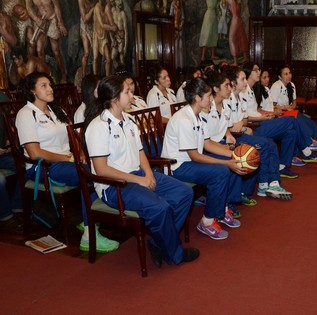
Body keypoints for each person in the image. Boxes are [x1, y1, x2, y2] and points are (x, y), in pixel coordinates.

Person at [83, 74, 199, 267]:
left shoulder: (129, 120)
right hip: (114, 186)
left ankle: (158, 242)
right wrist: (140, 180)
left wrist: (149, 174)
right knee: (160, 208)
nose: (132, 95)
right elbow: (102, 169)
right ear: (114, 99)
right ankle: (174, 255)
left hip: (137, 176)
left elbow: (140, 152)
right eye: (127, 91)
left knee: (184, 192)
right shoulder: (99, 127)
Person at [15, 72, 118, 252]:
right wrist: (66, 157)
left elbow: (73, 137)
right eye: (44, 86)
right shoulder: (26, 114)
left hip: (66, 161)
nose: (50, 89)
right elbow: (34, 153)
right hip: (43, 167)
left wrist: (80, 153)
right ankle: (88, 234)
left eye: (50, 84)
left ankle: (91, 220)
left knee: (99, 168)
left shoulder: (57, 110)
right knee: (90, 175)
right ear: (32, 91)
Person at [161, 78, 242, 240]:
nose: (211, 99)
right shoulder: (184, 119)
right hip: (176, 166)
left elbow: (208, 144)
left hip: (190, 162)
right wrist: (226, 162)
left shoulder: (199, 115)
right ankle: (207, 221)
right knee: (220, 172)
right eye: (208, 96)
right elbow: (195, 155)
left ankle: (221, 209)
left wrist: (234, 155)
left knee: (229, 164)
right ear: (197, 98)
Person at [209, 71, 293, 201]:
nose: (245, 82)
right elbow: (228, 127)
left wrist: (241, 125)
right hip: (228, 139)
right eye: (242, 79)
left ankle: (272, 183)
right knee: (263, 145)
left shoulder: (235, 100)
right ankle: (261, 186)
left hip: (237, 135)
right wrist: (237, 128)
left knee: (269, 143)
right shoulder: (218, 103)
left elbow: (242, 120)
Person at [224, 65, 300, 179]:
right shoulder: (229, 98)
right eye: (243, 79)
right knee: (291, 121)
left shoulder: (243, 95)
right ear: (233, 82)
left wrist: (244, 124)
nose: (245, 82)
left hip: (251, 126)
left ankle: (283, 166)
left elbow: (245, 118)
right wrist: (263, 118)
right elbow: (238, 124)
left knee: (291, 132)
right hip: (253, 127)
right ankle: (306, 148)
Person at [268, 65, 317, 164]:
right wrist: (286, 108)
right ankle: (309, 143)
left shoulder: (291, 85)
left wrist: (290, 108)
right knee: (297, 118)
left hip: (290, 112)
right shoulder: (276, 86)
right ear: (280, 77)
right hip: (280, 114)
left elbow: (294, 103)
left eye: (289, 73)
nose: (289, 76)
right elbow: (273, 106)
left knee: (311, 123)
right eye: (285, 74)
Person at [25, 0, 68, 82]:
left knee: (56, 52)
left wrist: (60, 22)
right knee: (39, 51)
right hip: (40, 21)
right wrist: (36, 19)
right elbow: (29, 7)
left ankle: (63, 74)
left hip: (52, 19)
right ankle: (45, 76)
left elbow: (56, 6)